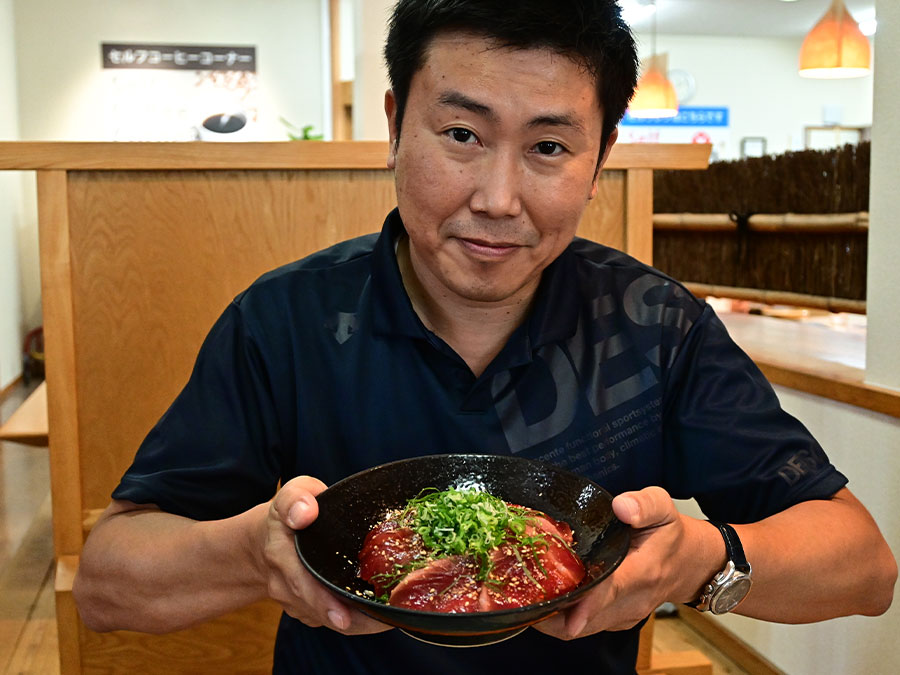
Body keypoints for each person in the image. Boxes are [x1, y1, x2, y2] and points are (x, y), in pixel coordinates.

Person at [73, 1, 897, 673]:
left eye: (548, 146)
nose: (499, 198)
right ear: (396, 124)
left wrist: (702, 559)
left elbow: (865, 565)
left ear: (601, 154)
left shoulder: (652, 325)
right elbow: (107, 584)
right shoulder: (285, 321)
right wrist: (254, 554)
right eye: (462, 135)